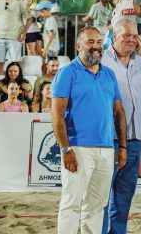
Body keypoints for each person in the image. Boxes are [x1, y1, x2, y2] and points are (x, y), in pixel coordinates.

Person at [51, 26, 128, 234]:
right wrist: (66, 149)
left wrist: (122, 146)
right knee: (71, 203)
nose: (96, 46)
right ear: (78, 46)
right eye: (90, 42)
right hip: (78, 148)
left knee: (96, 206)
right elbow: (56, 114)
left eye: (99, 42)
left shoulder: (109, 75)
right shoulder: (67, 72)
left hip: (106, 148)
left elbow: (118, 112)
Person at [101, 21, 141, 234]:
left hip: (135, 140)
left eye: (134, 36)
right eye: (126, 35)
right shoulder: (101, 61)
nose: (131, 39)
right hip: (107, 139)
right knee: (102, 195)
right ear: (114, 36)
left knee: (124, 194)